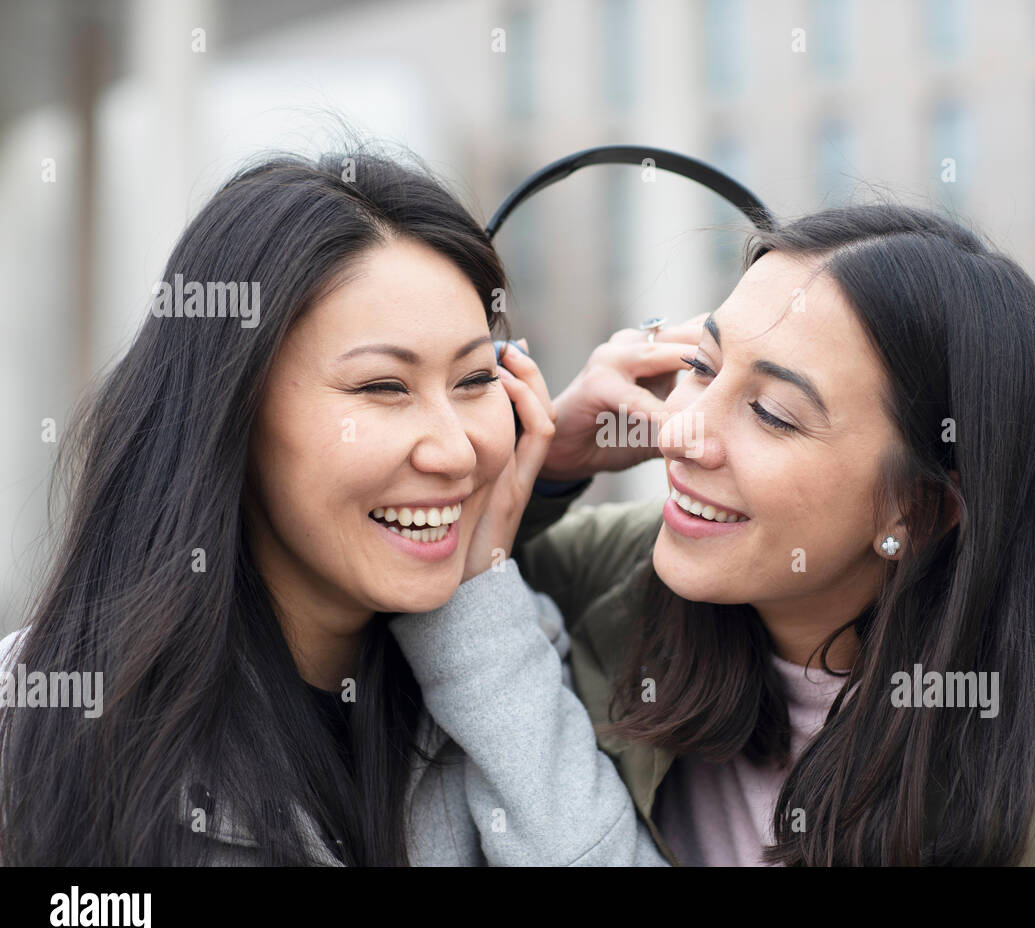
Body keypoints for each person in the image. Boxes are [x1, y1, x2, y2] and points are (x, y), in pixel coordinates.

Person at [0, 147, 666, 867]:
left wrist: (485, 615)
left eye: (475, 379)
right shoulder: (35, 717)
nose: (455, 452)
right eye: (383, 387)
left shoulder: (510, 649)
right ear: (233, 411)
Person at [514, 204, 1035, 866]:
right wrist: (551, 462)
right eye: (703, 366)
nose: (680, 431)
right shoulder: (628, 580)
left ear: (918, 510)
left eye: (773, 414)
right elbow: (445, 586)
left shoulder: (1034, 800)